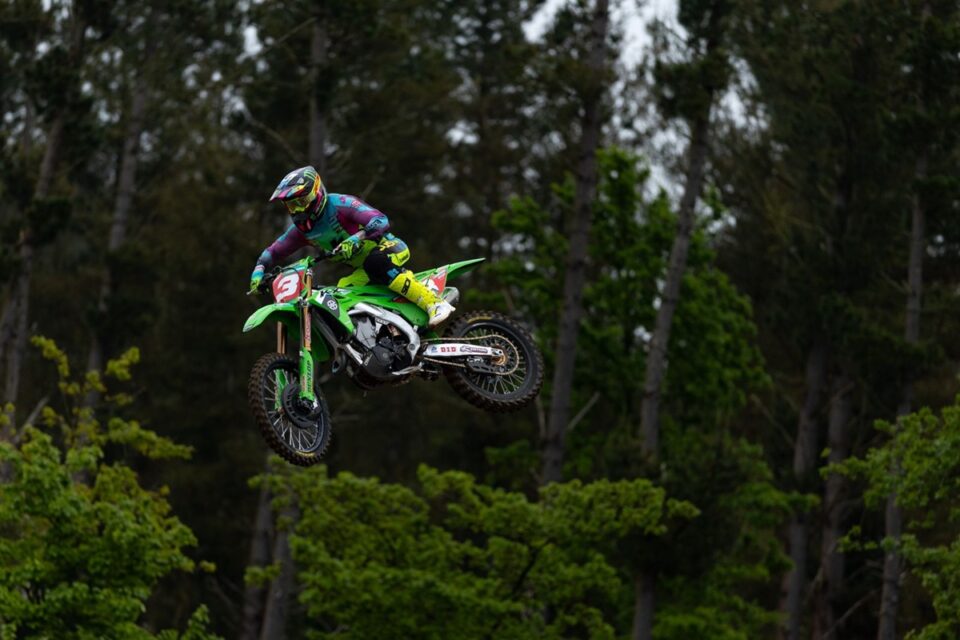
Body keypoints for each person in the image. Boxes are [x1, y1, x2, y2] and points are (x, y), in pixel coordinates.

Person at [249, 166, 455, 327]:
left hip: (389, 248)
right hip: (363, 270)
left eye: (301, 202)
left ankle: (434, 303)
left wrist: (357, 238)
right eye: (291, 205)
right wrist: (258, 273)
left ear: (316, 193)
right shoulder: (301, 231)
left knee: (375, 262)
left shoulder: (340, 204)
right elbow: (272, 252)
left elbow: (380, 220)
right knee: (337, 297)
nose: (297, 211)